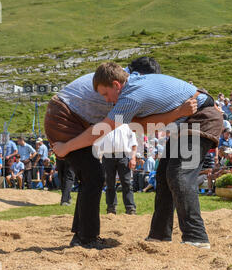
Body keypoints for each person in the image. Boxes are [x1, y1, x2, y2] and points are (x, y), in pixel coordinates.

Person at [52, 61, 223, 249]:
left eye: (105, 94)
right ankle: (160, 235)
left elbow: (101, 130)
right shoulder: (134, 84)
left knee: (179, 174)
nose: (106, 100)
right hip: (185, 122)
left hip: (201, 119)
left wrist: (66, 147)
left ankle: (196, 237)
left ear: (116, 85)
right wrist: (181, 110)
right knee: (164, 175)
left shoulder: (131, 96)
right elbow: (141, 124)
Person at [97, 124, 138, 215]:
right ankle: (111, 208)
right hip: (107, 156)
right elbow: (98, 143)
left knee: (126, 182)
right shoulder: (104, 125)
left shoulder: (127, 126)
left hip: (123, 156)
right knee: (109, 183)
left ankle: (130, 208)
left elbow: (134, 143)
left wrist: (133, 158)